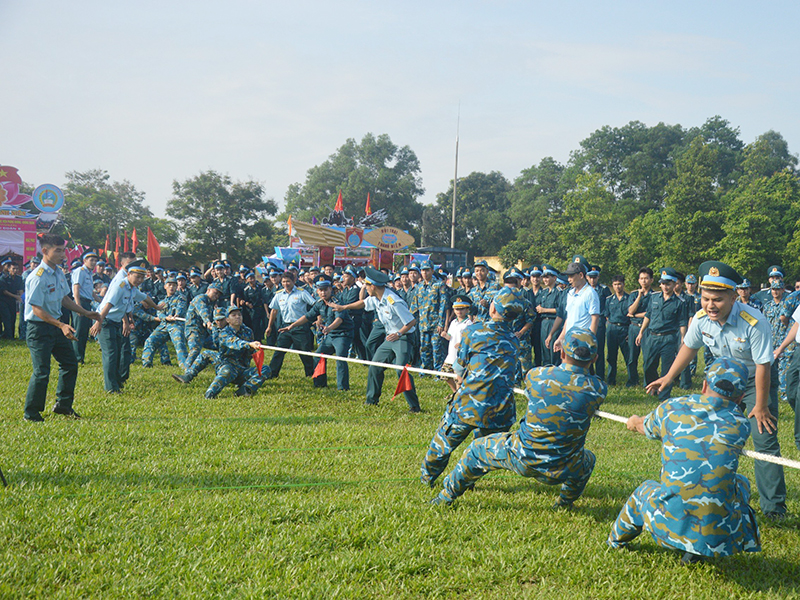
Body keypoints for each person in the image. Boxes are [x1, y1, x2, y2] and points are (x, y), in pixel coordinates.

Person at [645, 261, 788, 520]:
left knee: (764, 438)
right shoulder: (701, 320)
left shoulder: (754, 323)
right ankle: (711, 492)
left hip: (756, 382)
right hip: (721, 384)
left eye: (718, 300)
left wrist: (761, 405)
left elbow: (763, 365)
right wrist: (668, 377)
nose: (710, 305)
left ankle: (774, 508)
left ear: (734, 297)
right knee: (708, 432)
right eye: (705, 298)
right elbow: (689, 348)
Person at [430, 328, 607, 507]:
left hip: (522, 455)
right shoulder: (598, 389)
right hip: (564, 466)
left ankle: (445, 497)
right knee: (588, 460)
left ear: (561, 352)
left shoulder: (538, 375)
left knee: (476, 449)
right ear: (594, 359)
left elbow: (532, 389)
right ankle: (564, 503)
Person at [608, 358, 761, 564]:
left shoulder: (672, 407)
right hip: (719, 539)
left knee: (644, 490)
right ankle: (697, 548)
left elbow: (645, 427)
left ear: (704, 384)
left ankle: (615, 542)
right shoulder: (742, 424)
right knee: (742, 484)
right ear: (741, 396)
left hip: (667, 529)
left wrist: (634, 421)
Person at [420, 287, 524, 488]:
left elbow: (459, 366)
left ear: (493, 308)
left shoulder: (473, 332)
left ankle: (427, 479)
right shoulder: (514, 341)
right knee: (481, 453)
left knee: (443, 444)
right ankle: (465, 481)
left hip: (468, 404)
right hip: (499, 411)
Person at [22, 234, 100, 421]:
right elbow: (36, 309)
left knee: (70, 363)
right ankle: (31, 412)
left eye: (63, 250)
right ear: (45, 251)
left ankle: (63, 405)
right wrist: (61, 324)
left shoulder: (57, 272)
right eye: (58, 250)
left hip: (56, 327)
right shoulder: (37, 277)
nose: (63, 254)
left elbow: (65, 299)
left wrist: (86, 312)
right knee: (42, 371)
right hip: (38, 328)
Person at [328, 267, 420, 412]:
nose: (365, 288)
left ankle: (414, 406)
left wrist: (399, 334)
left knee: (400, 370)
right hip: (390, 337)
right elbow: (363, 303)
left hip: (403, 337)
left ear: (374, 286)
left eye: (367, 285)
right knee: (375, 366)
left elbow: (411, 322)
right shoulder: (376, 298)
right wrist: (343, 307)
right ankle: (371, 400)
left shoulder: (393, 301)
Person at [280, 275, 354, 390]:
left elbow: (339, 320)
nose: (323, 293)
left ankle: (343, 388)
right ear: (317, 291)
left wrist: (329, 328)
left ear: (331, 289)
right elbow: (307, 316)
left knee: (341, 359)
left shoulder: (337, 302)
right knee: (318, 356)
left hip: (342, 335)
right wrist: (291, 326)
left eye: (325, 289)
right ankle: (320, 384)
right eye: (320, 290)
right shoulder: (319, 303)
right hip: (330, 335)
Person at [179, 306, 268, 398]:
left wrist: (256, 349)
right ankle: (210, 393)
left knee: (265, 369)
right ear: (228, 320)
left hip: (242, 369)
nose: (238, 317)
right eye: (234, 315)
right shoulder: (224, 333)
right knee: (225, 369)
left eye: (239, 315)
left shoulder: (248, 332)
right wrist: (249, 344)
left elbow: (249, 353)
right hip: (227, 364)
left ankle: (245, 390)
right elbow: (233, 341)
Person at [90, 259, 149, 393]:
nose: (139, 280)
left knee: (117, 354)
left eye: (142, 277)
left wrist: (126, 323)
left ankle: (116, 382)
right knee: (110, 354)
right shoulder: (120, 286)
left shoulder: (131, 288)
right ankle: (111, 387)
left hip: (116, 322)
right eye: (137, 276)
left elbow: (123, 308)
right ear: (128, 274)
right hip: (105, 321)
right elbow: (108, 305)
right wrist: (98, 322)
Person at [635, 268, 687, 401]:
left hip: (668, 339)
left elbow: (682, 323)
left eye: (668, 284)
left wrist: (682, 340)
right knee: (648, 365)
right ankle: (654, 386)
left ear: (674, 284)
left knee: (667, 368)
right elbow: (648, 316)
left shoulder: (679, 302)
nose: (665, 286)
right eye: (663, 283)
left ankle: (664, 396)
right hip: (652, 336)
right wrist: (641, 333)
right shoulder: (654, 298)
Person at [266, 271, 316, 379]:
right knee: (279, 351)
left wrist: (314, 318)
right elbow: (274, 311)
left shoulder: (301, 292)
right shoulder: (279, 294)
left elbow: (314, 305)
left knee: (305, 352)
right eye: (283, 281)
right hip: (285, 327)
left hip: (300, 327)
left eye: (288, 281)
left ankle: (311, 374)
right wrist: (269, 326)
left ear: (293, 281)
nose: (285, 284)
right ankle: (272, 374)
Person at [550, 256, 600, 353]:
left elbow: (595, 319)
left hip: (582, 342)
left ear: (581, 275)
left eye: (571, 276)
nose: (569, 279)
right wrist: (561, 337)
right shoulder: (570, 293)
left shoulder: (590, 293)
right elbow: (569, 319)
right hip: (569, 340)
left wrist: (590, 343)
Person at [141, 276, 189, 369]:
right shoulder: (162, 301)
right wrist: (166, 317)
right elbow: (159, 313)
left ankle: (185, 366)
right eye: (169, 285)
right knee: (150, 341)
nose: (172, 287)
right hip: (164, 325)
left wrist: (175, 315)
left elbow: (180, 309)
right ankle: (146, 364)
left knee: (179, 343)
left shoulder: (181, 297)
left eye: (174, 285)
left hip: (176, 325)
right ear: (165, 286)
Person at [626, 267, 654, 387]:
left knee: (647, 358)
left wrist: (635, 314)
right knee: (632, 357)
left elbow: (651, 312)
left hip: (647, 328)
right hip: (633, 327)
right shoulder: (633, 294)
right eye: (642, 279)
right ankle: (632, 380)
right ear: (638, 280)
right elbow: (630, 310)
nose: (644, 281)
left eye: (646, 278)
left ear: (651, 280)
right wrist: (639, 296)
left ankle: (647, 383)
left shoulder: (655, 296)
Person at [70, 249, 99, 363]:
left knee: (84, 332)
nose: (93, 263)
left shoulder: (89, 273)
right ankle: (76, 358)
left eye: (95, 261)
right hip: (80, 302)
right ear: (85, 260)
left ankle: (80, 356)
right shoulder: (80, 271)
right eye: (91, 260)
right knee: (78, 331)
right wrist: (78, 306)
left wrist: (100, 301)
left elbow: (90, 292)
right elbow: (76, 289)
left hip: (87, 303)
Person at [604, 275, 629, 386]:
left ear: (623, 284)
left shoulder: (629, 299)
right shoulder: (609, 300)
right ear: (612, 286)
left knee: (628, 356)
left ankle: (632, 379)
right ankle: (611, 380)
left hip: (625, 328)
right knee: (611, 356)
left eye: (619, 284)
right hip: (612, 329)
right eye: (615, 284)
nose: (617, 286)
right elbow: (607, 315)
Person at [0, 260, 24, 339]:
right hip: (3, 301)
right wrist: (16, 297)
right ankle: (8, 336)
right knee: (7, 317)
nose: (15, 270)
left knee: (13, 318)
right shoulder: (4, 278)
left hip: (12, 301)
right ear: (9, 269)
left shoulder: (19, 278)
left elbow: (20, 289)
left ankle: (11, 335)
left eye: (17, 269)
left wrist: (22, 297)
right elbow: (5, 291)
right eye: (13, 269)